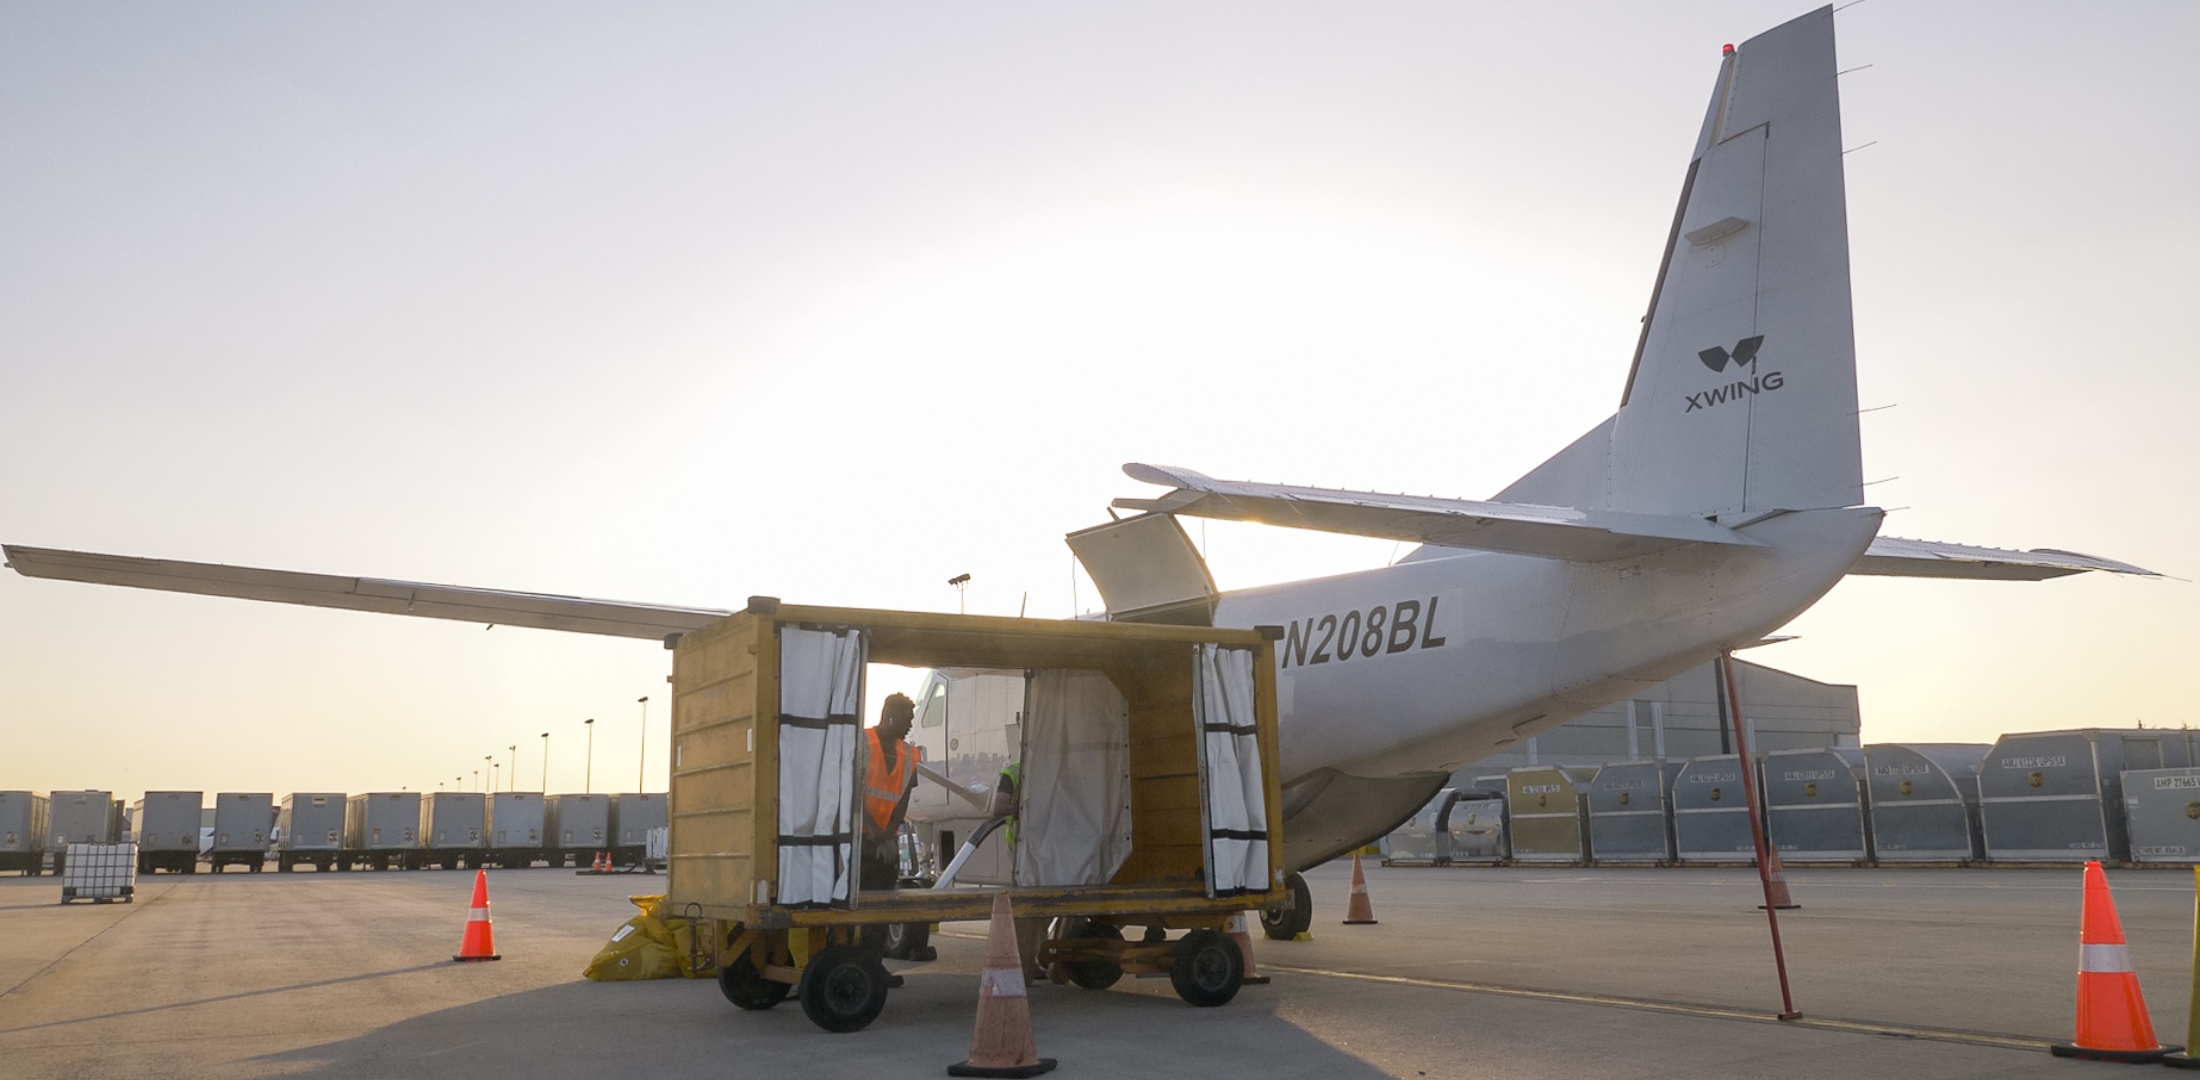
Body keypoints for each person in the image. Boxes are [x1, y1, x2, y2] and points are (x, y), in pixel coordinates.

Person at [991, 760, 1047, 983]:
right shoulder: (1014, 772)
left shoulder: (1049, 767)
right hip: (1022, 850)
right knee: (1028, 911)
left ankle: (1036, 961)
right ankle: (1025, 966)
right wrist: (1026, 808)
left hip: (1045, 847)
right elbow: (998, 808)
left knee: (1042, 910)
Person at [859, 692, 918, 891]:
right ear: (891, 717)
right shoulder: (861, 743)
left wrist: (885, 834)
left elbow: (903, 800)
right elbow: (849, 792)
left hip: (886, 843)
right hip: (858, 839)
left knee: (882, 906)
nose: (910, 726)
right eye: (907, 720)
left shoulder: (909, 755)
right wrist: (874, 829)